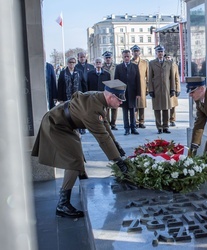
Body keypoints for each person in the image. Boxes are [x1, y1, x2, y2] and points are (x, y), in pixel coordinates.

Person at [31, 79, 129, 218]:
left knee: (76, 152)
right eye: (119, 99)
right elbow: (102, 138)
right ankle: (63, 205)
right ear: (110, 96)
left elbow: (105, 124)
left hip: (65, 123)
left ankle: (83, 181)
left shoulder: (99, 99)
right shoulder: (92, 110)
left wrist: (116, 145)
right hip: (56, 125)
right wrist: (119, 161)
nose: (121, 103)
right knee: (73, 161)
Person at [148, 45, 175, 134]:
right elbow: (150, 77)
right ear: (156, 53)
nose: (160, 53)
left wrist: (172, 89)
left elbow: (172, 77)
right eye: (159, 52)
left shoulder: (169, 63)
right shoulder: (152, 63)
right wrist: (150, 90)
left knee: (166, 108)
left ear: (164, 53)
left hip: (166, 89)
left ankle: (165, 126)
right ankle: (159, 127)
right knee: (157, 109)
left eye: (161, 52)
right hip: (156, 89)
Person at [115, 49, 141, 135]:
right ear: (122, 57)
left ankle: (133, 128)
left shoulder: (134, 66)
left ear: (130, 57)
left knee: (132, 111)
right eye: (125, 57)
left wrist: (138, 93)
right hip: (123, 93)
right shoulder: (118, 67)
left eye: (128, 57)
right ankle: (126, 128)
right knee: (125, 111)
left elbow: (138, 80)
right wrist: (117, 94)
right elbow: (116, 81)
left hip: (132, 92)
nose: (126, 58)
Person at [131, 45, 149, 129]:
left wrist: (148, 88)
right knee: (135, 105)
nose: (136, 53)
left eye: (137, 51)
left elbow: (148, 76)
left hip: (142, 86)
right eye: (134, 51)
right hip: (133, 86)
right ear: (132, 52)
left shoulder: (144, 63)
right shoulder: (130, 63)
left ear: (140, 52)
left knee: (142, 105)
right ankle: (136, 121)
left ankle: (141, 121)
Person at [102, 51, 118, 130]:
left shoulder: (116, 66)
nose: (108, 59)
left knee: (114, 107)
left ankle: (113, 123)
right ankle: (107, 123)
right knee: (106, 107)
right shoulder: (102, 67)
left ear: (112, 58)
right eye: (106, 58)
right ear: (104, 59)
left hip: (115, 87)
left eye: (109, 57)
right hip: (106, 89)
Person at [165, 53, 181, 127]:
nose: (168, 58)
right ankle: (165, 120)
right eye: (167, 57)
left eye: (169, 57)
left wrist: (178, 89)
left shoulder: (174, 65)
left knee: (173, 106)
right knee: (165, 105)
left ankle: (172, 120)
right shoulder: (163, 65)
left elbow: (177, 77)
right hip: (165, 88)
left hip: (173, 87)